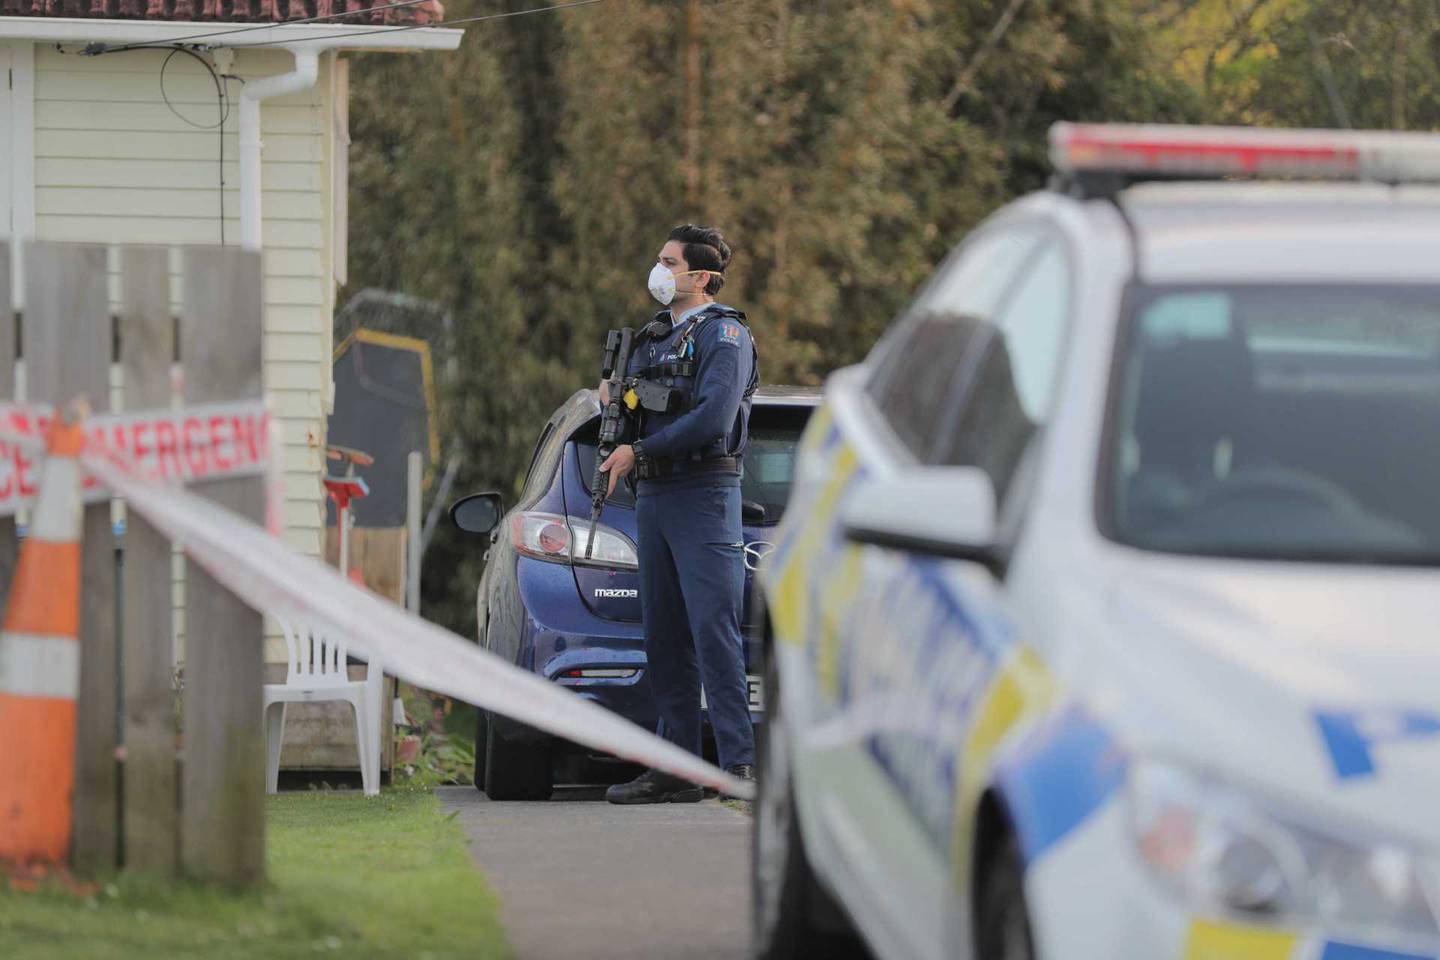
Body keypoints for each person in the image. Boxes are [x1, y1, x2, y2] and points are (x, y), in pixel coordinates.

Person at [599, 224, 760, 804]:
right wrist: (614, 403)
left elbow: (715, 418)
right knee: (664, 637)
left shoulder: (726, 336)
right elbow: (636, 412)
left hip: (704, 494)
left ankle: (738, 766)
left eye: (670, 262)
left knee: (713, 632)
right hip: (655, 497)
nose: (659, 270)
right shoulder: (650, 339)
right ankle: (675, 767)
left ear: (702, 275)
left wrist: (637, 450)